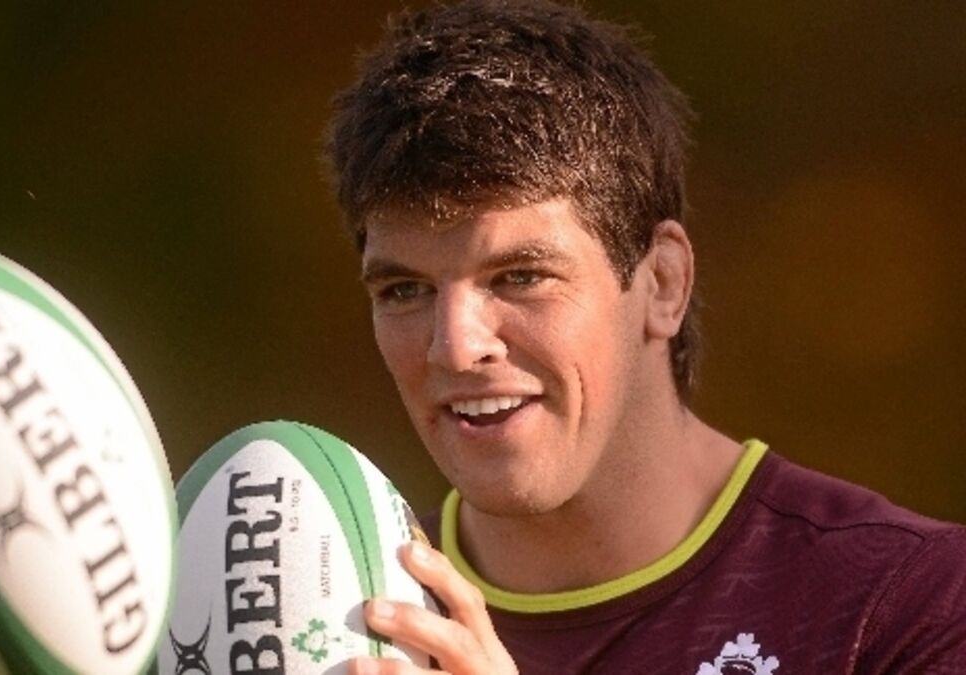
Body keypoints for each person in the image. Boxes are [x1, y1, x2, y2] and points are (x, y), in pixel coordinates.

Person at [323, 1, 966, 673]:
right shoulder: (316, 617)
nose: (455, 346)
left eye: (520, 276)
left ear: (662, 282)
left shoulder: (906, 605)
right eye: (404, 290)